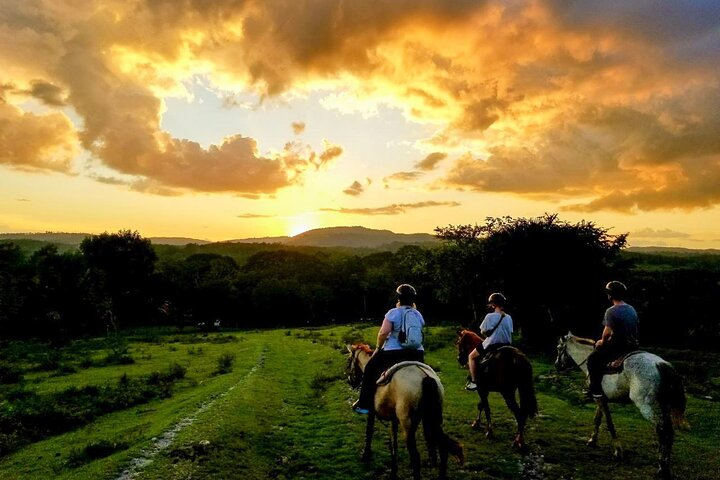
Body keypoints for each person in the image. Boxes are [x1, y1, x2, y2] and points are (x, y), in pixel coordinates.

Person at [352, 284, 425, 414]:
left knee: (369, 369)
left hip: (394, 353)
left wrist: (378, 349)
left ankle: (364, 404)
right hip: (417, 354)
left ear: (399, 298)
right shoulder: (418, 314)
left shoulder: (393, 313)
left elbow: (383, 333)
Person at [586, 281, 640, 399]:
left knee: (592, 360)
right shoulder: (631, 309)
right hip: (633, 345)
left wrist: (602, 342)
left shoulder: (611, 311)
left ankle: (595, 391)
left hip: (618, 345)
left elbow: (607, 332)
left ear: (610, 295)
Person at [465, 292, 513, 391]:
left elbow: (483, 332)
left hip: (493, 344)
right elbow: (510, 332)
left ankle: (474, 382)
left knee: (471, 357)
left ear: (493, 304)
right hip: (508, 345)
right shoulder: (509, 317)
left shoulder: (489, 316)